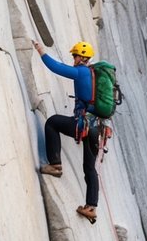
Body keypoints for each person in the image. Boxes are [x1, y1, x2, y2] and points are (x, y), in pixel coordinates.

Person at [34, 40, 99, 224]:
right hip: (96, 129)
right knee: (90, 168)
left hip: (83, 124)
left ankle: (55, 165)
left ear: (82, 57)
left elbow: (57, 68)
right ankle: (91, 207)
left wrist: (41, 51)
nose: (73, 58)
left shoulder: (82, 71)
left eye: (75, 55)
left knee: (53, 122)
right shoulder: (93, 74)